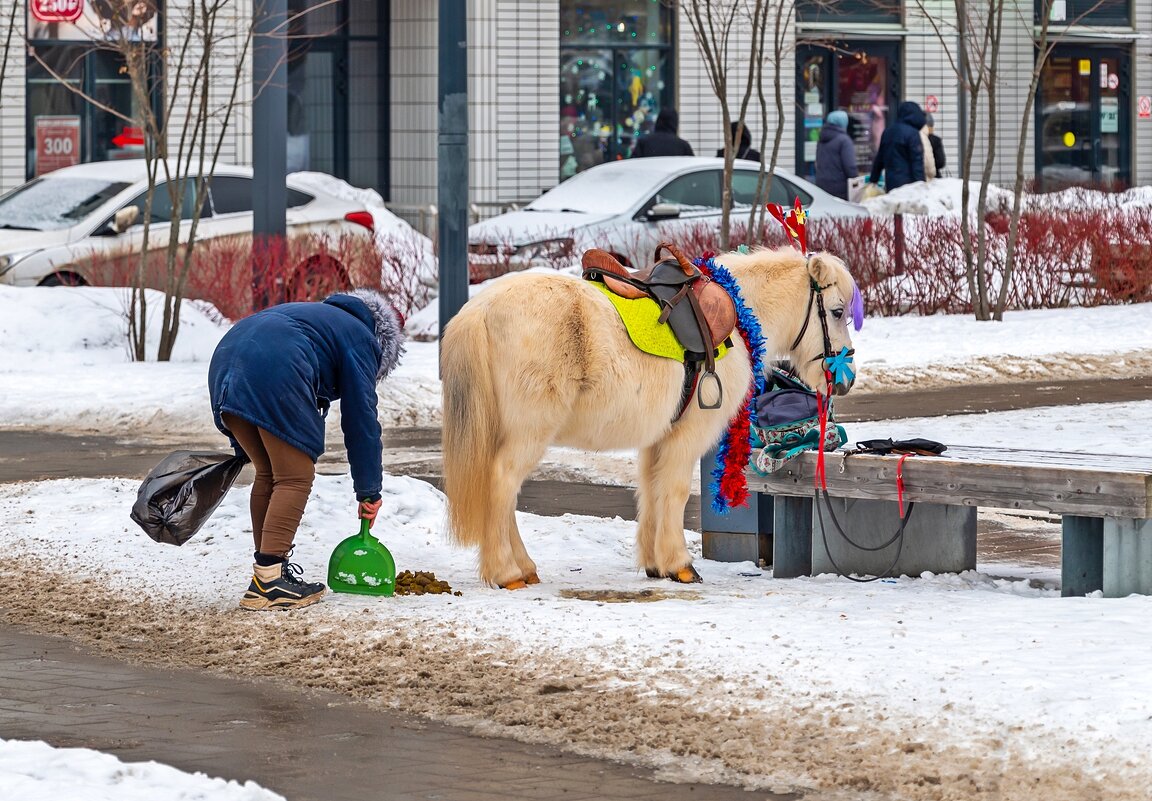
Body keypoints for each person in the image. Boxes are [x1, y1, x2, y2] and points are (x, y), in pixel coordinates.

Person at [208, 289, 405, 611]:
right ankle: (269, 582)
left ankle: (269, 573)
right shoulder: (361, 338)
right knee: (294, 477)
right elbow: (361, 420)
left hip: (225, 362)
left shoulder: (316, 317)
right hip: (277, 365)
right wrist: (369, 490)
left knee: (270, 473)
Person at [868, 100, 927, 192]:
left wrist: (873, 178)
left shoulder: (888, 131)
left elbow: (879, 159)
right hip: (909, 185)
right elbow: (917, 162)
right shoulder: (912, 134)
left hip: (891, 182)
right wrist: (921, 186)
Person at [814, 109, 857, 201]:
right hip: (840, 187)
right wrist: (856, 180)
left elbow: (817, 162)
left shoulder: (821, 138)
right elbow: (850, 166)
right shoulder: (844, 140)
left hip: (821, 185)